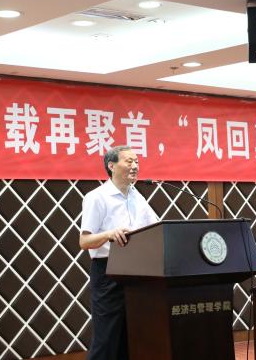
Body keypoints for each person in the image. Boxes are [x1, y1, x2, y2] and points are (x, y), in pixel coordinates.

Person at [79, 145, 158, 360]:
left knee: (131, 337)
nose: (135, 166)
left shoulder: (137, 196)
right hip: (109, 272)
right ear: (111, 165)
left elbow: (155, 228)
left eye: (137, 162)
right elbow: (84, 241)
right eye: (129, 161)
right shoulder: (97, 197)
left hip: (137, 273)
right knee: (107, 339)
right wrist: (109, 234)